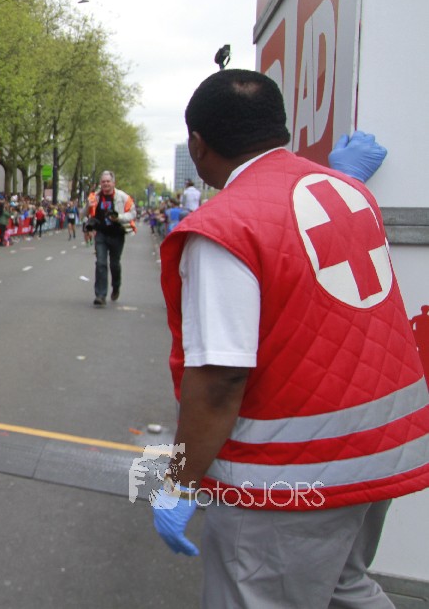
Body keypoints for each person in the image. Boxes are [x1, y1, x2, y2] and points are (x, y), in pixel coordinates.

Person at [150, 70, 429, 607]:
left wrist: (180, 481)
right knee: (346, 586)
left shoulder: (224, 228)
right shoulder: (349, 192)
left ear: (198, 145)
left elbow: (220, 380)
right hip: (380, 451)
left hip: (290, 476)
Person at [87, 171, 134, 305]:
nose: (106, 184)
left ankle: (116, 286)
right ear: (100, 183)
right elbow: (84, 213)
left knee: (114, 263)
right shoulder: (95, 197)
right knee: (100, 263)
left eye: (108, 181)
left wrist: (118, 217)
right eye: (103, 181)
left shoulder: (123, 197)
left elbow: (132, 214)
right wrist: (88, 206)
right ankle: (100, 295)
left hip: (117, 233)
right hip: (101, 234)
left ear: (113, 183)